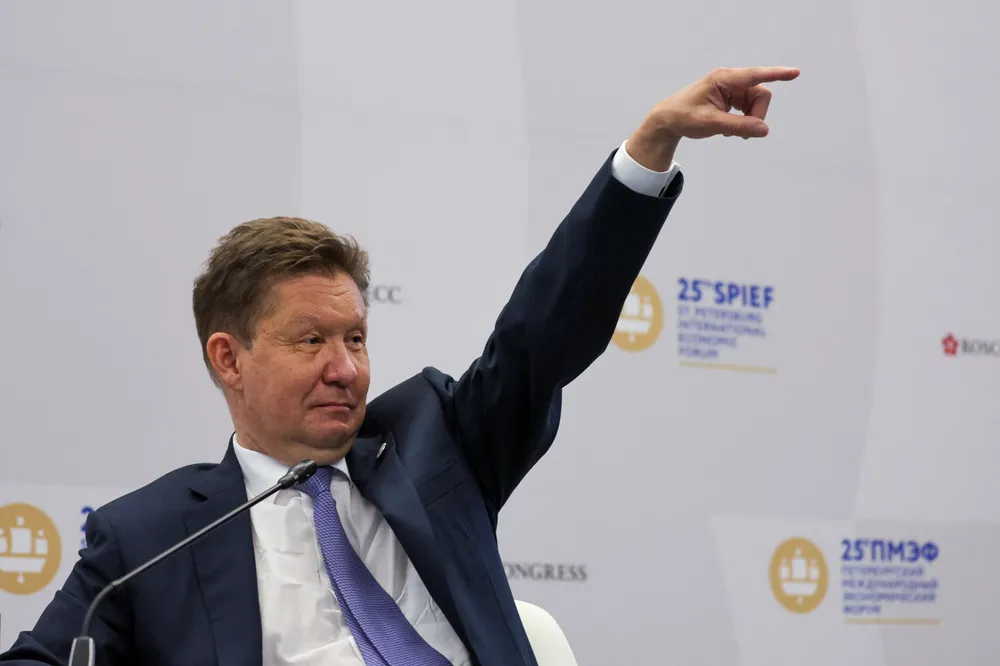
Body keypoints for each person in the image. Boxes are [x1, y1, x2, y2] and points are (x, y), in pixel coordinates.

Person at [1, 65, 799, 666]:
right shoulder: (149, 537)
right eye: (311, 341)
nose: (346, 369)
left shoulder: (436, 445)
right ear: (228, 358)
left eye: (355, 338)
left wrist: (648, 149)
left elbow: (543, 335)